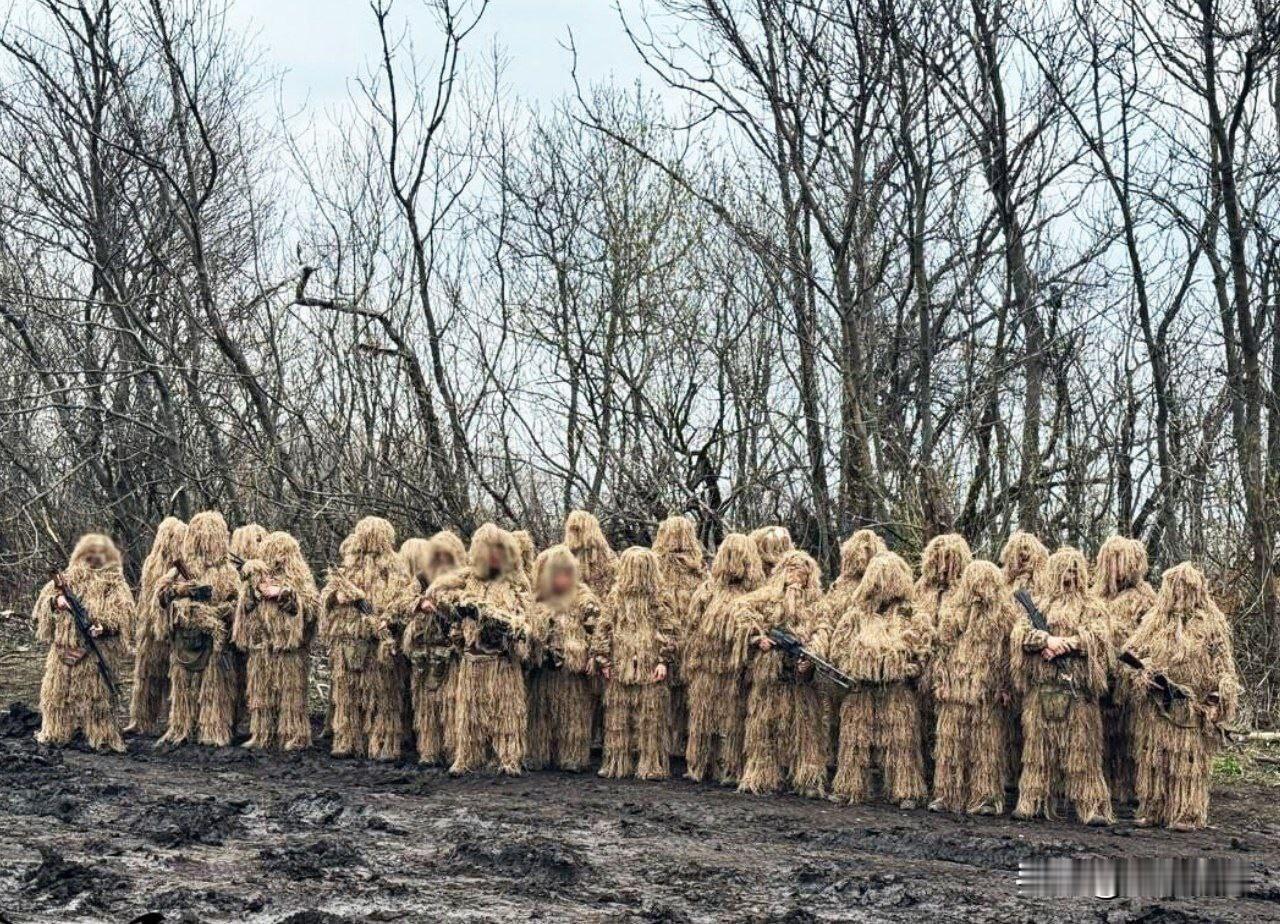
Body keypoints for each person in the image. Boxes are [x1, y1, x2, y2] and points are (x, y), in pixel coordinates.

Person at [1121, 563, 1240, 830]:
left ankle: (1187, 813)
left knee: (1187, 763)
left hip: (1191, 707)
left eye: (1185, 588)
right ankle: (1152, 808)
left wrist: (1217, 697)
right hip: (1157, 705)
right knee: (1154, 759)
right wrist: (1145, 674)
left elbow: (1224, 667)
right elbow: (1131, 654)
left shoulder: (1211, 624)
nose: (1179, 594)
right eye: (1174, 588)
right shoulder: (1154, 620)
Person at [1010, 548, 1113, 825]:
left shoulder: (1092, 606)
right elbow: (1019, 633)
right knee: (1038, 752)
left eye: (1074, 571)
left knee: (1082, 752)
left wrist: (1071, 643)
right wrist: (1045, 640)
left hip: (1078, 692)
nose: (1069, 577)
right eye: (1064, 571)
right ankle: (1031, 801)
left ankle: (1090, 806)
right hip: (1042, 690)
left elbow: (1101, 637)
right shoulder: (1038, 604)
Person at [427, 523, 536, 776]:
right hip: (471, 658)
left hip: (501, 660)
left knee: (505, 712)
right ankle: (466, 757)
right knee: (470, 713)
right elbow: (439, 596)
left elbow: (526, 625)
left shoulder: (515, 583)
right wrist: (454, 605)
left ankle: (508, 758)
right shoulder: (467, 580)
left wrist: (489, 615)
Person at [827, 553, 931, 808]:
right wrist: (855, 665)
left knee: (901, 742)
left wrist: (908, 668)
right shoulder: (856, 613)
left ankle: (906, 790)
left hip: (896, 690)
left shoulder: (911, 614)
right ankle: (849, 788)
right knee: (854, 741)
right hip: (860, 690)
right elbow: (838, 647)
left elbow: (924, 649)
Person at [320, 516, 415, 760]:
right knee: (347, 695)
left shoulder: (395, 569)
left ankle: (383, 743)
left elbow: (404, 602)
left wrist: (385, 619)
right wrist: (336, 598)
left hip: (377, 644)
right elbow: (327, 596)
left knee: (383, 696)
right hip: (348, 641)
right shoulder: (349, 567)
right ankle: (347, 740)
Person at [929, 560, 1017, 815]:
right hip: (955, 690)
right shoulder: (953, 611)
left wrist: (1005, 686)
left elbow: (1008, 656)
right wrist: (941, 682)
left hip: (986, 692)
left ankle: (986, 798)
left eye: (985, 583)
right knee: (950, 747)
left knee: (986, 748)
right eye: (975, 583)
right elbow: (941, 651)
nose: (979, 589)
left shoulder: (1004, 614)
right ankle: (947, 795)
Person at [734, 549, 824, 795]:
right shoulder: (765, 597)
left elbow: (823, 628)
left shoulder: (816, 604)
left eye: (802, 574)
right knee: (764, 727)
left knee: (803, 729)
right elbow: (741, 613)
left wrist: (812, 655)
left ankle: (806, 779)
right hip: (768, 675)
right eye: (792, 571)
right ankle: (762, 776)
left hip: (799, 678)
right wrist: (757, 638)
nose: (796, 578)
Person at [34, 533, 134, 751]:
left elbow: (124, 613)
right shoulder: (66, 579)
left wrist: (105, 626)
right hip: (62, 650)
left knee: (97, 698)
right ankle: (55, 732)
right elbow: (42, 607)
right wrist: (55, 602)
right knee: (57, 697)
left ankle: (102, 737)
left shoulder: (114, 583)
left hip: (94, 650)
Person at [683, 533, 764, 785]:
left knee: (733, 719)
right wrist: (691, 661)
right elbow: (692, 626)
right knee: (702, 717)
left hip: (736, 669)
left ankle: (730, 768)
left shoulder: (757, 593)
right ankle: (699, 765)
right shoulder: (708, 590)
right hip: (706, 667)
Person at [591, 547, 678, 780]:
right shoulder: (615, 596)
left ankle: (651, 764)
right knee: (617, 717)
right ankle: (617, 763)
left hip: (649, 666)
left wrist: (664, 661)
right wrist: (603, 660)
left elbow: (669, 630)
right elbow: (604, 628)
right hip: (621, 665)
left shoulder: (660, 597)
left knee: (651, 718)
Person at [156, 511, 240, 747]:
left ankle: (212, 731)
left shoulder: (228, 572)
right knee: (183, 689)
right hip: (185, 637)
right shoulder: (180, 570)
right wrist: (182, 591)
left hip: (213, 641)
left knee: (213, 688)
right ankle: (182, 728)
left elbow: (238, 605)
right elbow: (161, 597)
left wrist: (220, 612)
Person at [232, 531, 318, 751]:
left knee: (291, 694)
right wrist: (254, 591)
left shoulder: (300, 577)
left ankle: (295, 735)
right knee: (261, 693)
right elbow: (244, 609)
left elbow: (310, 609)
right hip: (262, 646)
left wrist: (283, 593)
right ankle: (262, 734)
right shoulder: (259, 577)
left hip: (288, 649)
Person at [1093, 536, 1157, 804]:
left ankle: (1129, 787)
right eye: (1111, 560)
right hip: (1099, 675)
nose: (1115, 567)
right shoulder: (1094, 595)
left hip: (1129, 676)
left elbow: (1152, 638)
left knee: (1129, 734)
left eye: (1121, 560)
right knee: (1101, 732)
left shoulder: (1146, 599)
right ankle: (1101, 784)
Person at [525, 544, 600, 771]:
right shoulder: (537, 599)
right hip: (544, 669)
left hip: (572, 670)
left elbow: (598, 628)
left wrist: (594, 656)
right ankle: (539, 755)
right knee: (540, 715)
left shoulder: (583, 598)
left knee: (573, 715)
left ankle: (573, 757)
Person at [400, 531, 468, 765]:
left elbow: (468, 609)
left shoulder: (463, 580)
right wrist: (420, 603)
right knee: (425, 705)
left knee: (450, 703)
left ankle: (452, 751)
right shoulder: (421, 579)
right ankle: (429, 751)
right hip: (423, 650)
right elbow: (401, 602)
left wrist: (446, 605)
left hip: (450, 652)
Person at [652, 515, 706, 757]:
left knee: (686, 693)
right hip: (662, 639)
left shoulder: (698, 571)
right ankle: (666, 742)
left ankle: (681, 742)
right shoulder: (655, 568)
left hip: (690, 639)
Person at [125, 517, 185, 735]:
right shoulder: (151, 562)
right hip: (150, 630)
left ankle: (174, 722)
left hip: (174, 630)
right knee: (146, 676)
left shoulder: (184, 565)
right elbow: (144, 598)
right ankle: (140, 720)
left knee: (175, 677)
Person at [1000, 529, 1050, 786]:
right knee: (1005, 724)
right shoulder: (1001, 586)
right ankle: (1008, 776)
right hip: (1004, 661)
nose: (1023, 556)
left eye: (1027, 552)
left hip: (1035, 663)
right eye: (1018, 552)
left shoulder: (1045, 588)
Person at [228, 523, 268, 733]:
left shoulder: (265, 571)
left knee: (256, 681)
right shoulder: (231, 570)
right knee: (234, 680)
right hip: (235, 633)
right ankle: (233, 721)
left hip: (258, 635)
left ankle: (256, 724)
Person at [563, 510, 617, 598]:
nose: (575, 534)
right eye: (573, 530)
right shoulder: (564, 555)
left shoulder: (605, 555)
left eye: (578, 530)